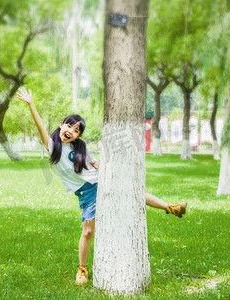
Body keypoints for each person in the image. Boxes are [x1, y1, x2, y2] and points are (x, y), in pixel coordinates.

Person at [16, 87, 187, 285]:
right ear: (61, 125)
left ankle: (171, 208)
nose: (71, 131)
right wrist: (31, 104)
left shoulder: (81, 148)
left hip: (100, 182)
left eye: (76, 130)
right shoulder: (52, 146)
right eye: (69, 126)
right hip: (85, 193)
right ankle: (82, 269)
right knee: (88, 232)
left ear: (78, 136)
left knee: (135, 193)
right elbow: (40, 128)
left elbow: (97, 165)